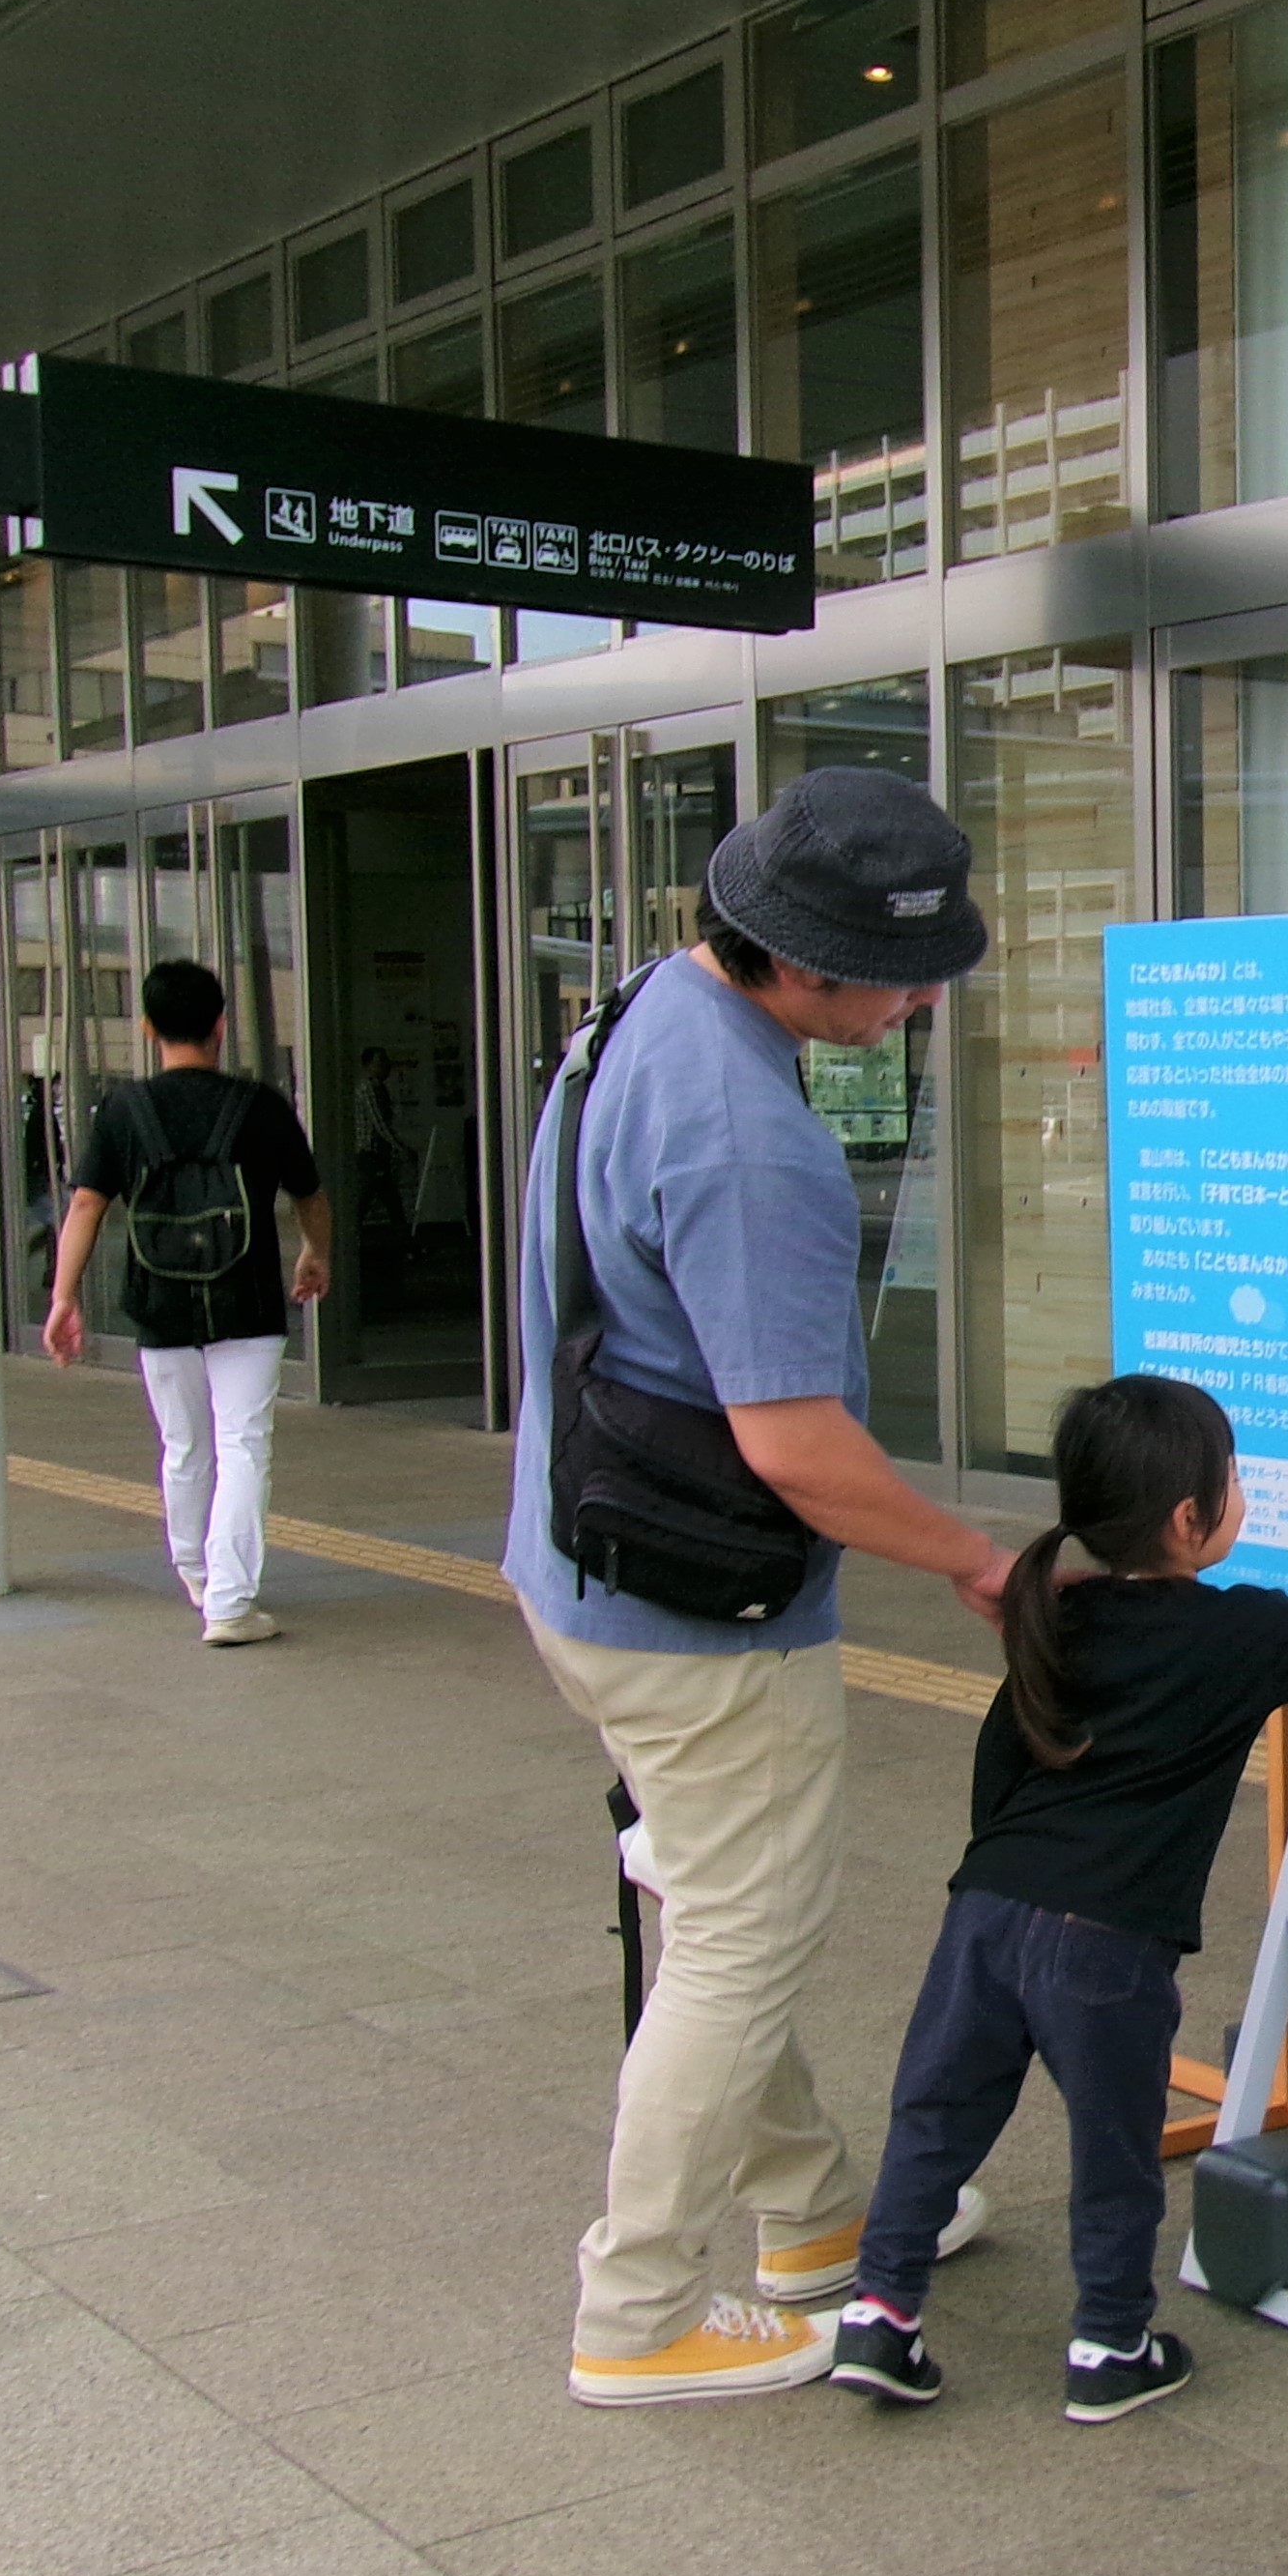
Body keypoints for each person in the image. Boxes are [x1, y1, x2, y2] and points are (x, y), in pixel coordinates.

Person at [508, 767, 1024, 2409]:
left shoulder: (645, 1010)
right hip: (696, 1617)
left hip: (575, 1563)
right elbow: (796, 1446)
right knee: (740, 1932)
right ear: (800, 965)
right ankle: (641, 2306)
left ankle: (811, 2219)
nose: (924, 993)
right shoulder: (757, 1146)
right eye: (903, 967)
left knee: (727, 1907)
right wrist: (972, 1553)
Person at [832, 1374, 1288, 2425]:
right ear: (1189, 1517)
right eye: (1234, 1481)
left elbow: (1000, 1770)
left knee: (935, 2117)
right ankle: (1110, 2343)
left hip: (987, 1911)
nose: (1241, 1496)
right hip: (1106, 1941)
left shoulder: (1055, 1617)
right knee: (1115, 2149)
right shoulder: (1235, 1636)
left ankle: (882, 2314)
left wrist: (1009, 1878)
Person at [45, 960, 329, 1648]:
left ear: (147, 1027)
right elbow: (309, 1194)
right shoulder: (259, 1105)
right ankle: (231, 1602)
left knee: (184, 1446)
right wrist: (314, 1254)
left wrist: (63, 1295)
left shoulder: (125, 1111)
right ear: (221, 1026)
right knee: (243, 1444)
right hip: (249, 1300)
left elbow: (86, 1202)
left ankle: (197, 1573)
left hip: (161, 1302)